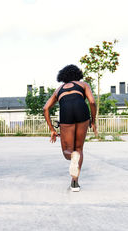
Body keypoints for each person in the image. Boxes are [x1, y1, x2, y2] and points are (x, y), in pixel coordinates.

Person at [43, 64, 97, 192]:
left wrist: (52, 129)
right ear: (78, 75)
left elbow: (45, 108)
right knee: (79, 149)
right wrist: (93, 121)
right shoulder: (83, 85)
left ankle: (72, 156)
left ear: (63, 77)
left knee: (67, 152)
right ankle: (75, 183)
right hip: (82, 110)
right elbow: (92, 102)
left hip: (66, 112)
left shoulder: (59, 89)